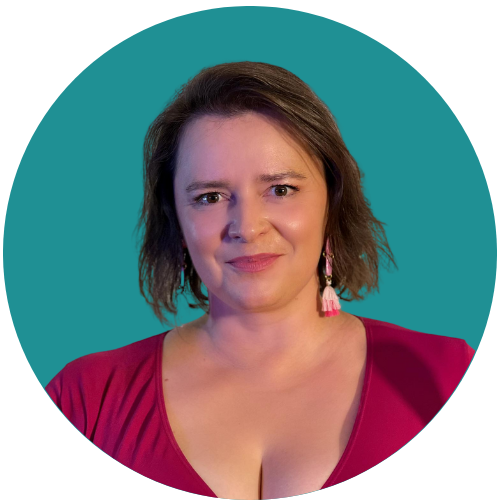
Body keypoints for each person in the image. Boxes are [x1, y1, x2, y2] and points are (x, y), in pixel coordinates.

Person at [45, 61, 475, 500]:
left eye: (281, 190)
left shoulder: (452, 377)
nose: (247, 227)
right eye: (210, 197)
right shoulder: (85, 399)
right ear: (177, 219)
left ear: (332, 201)